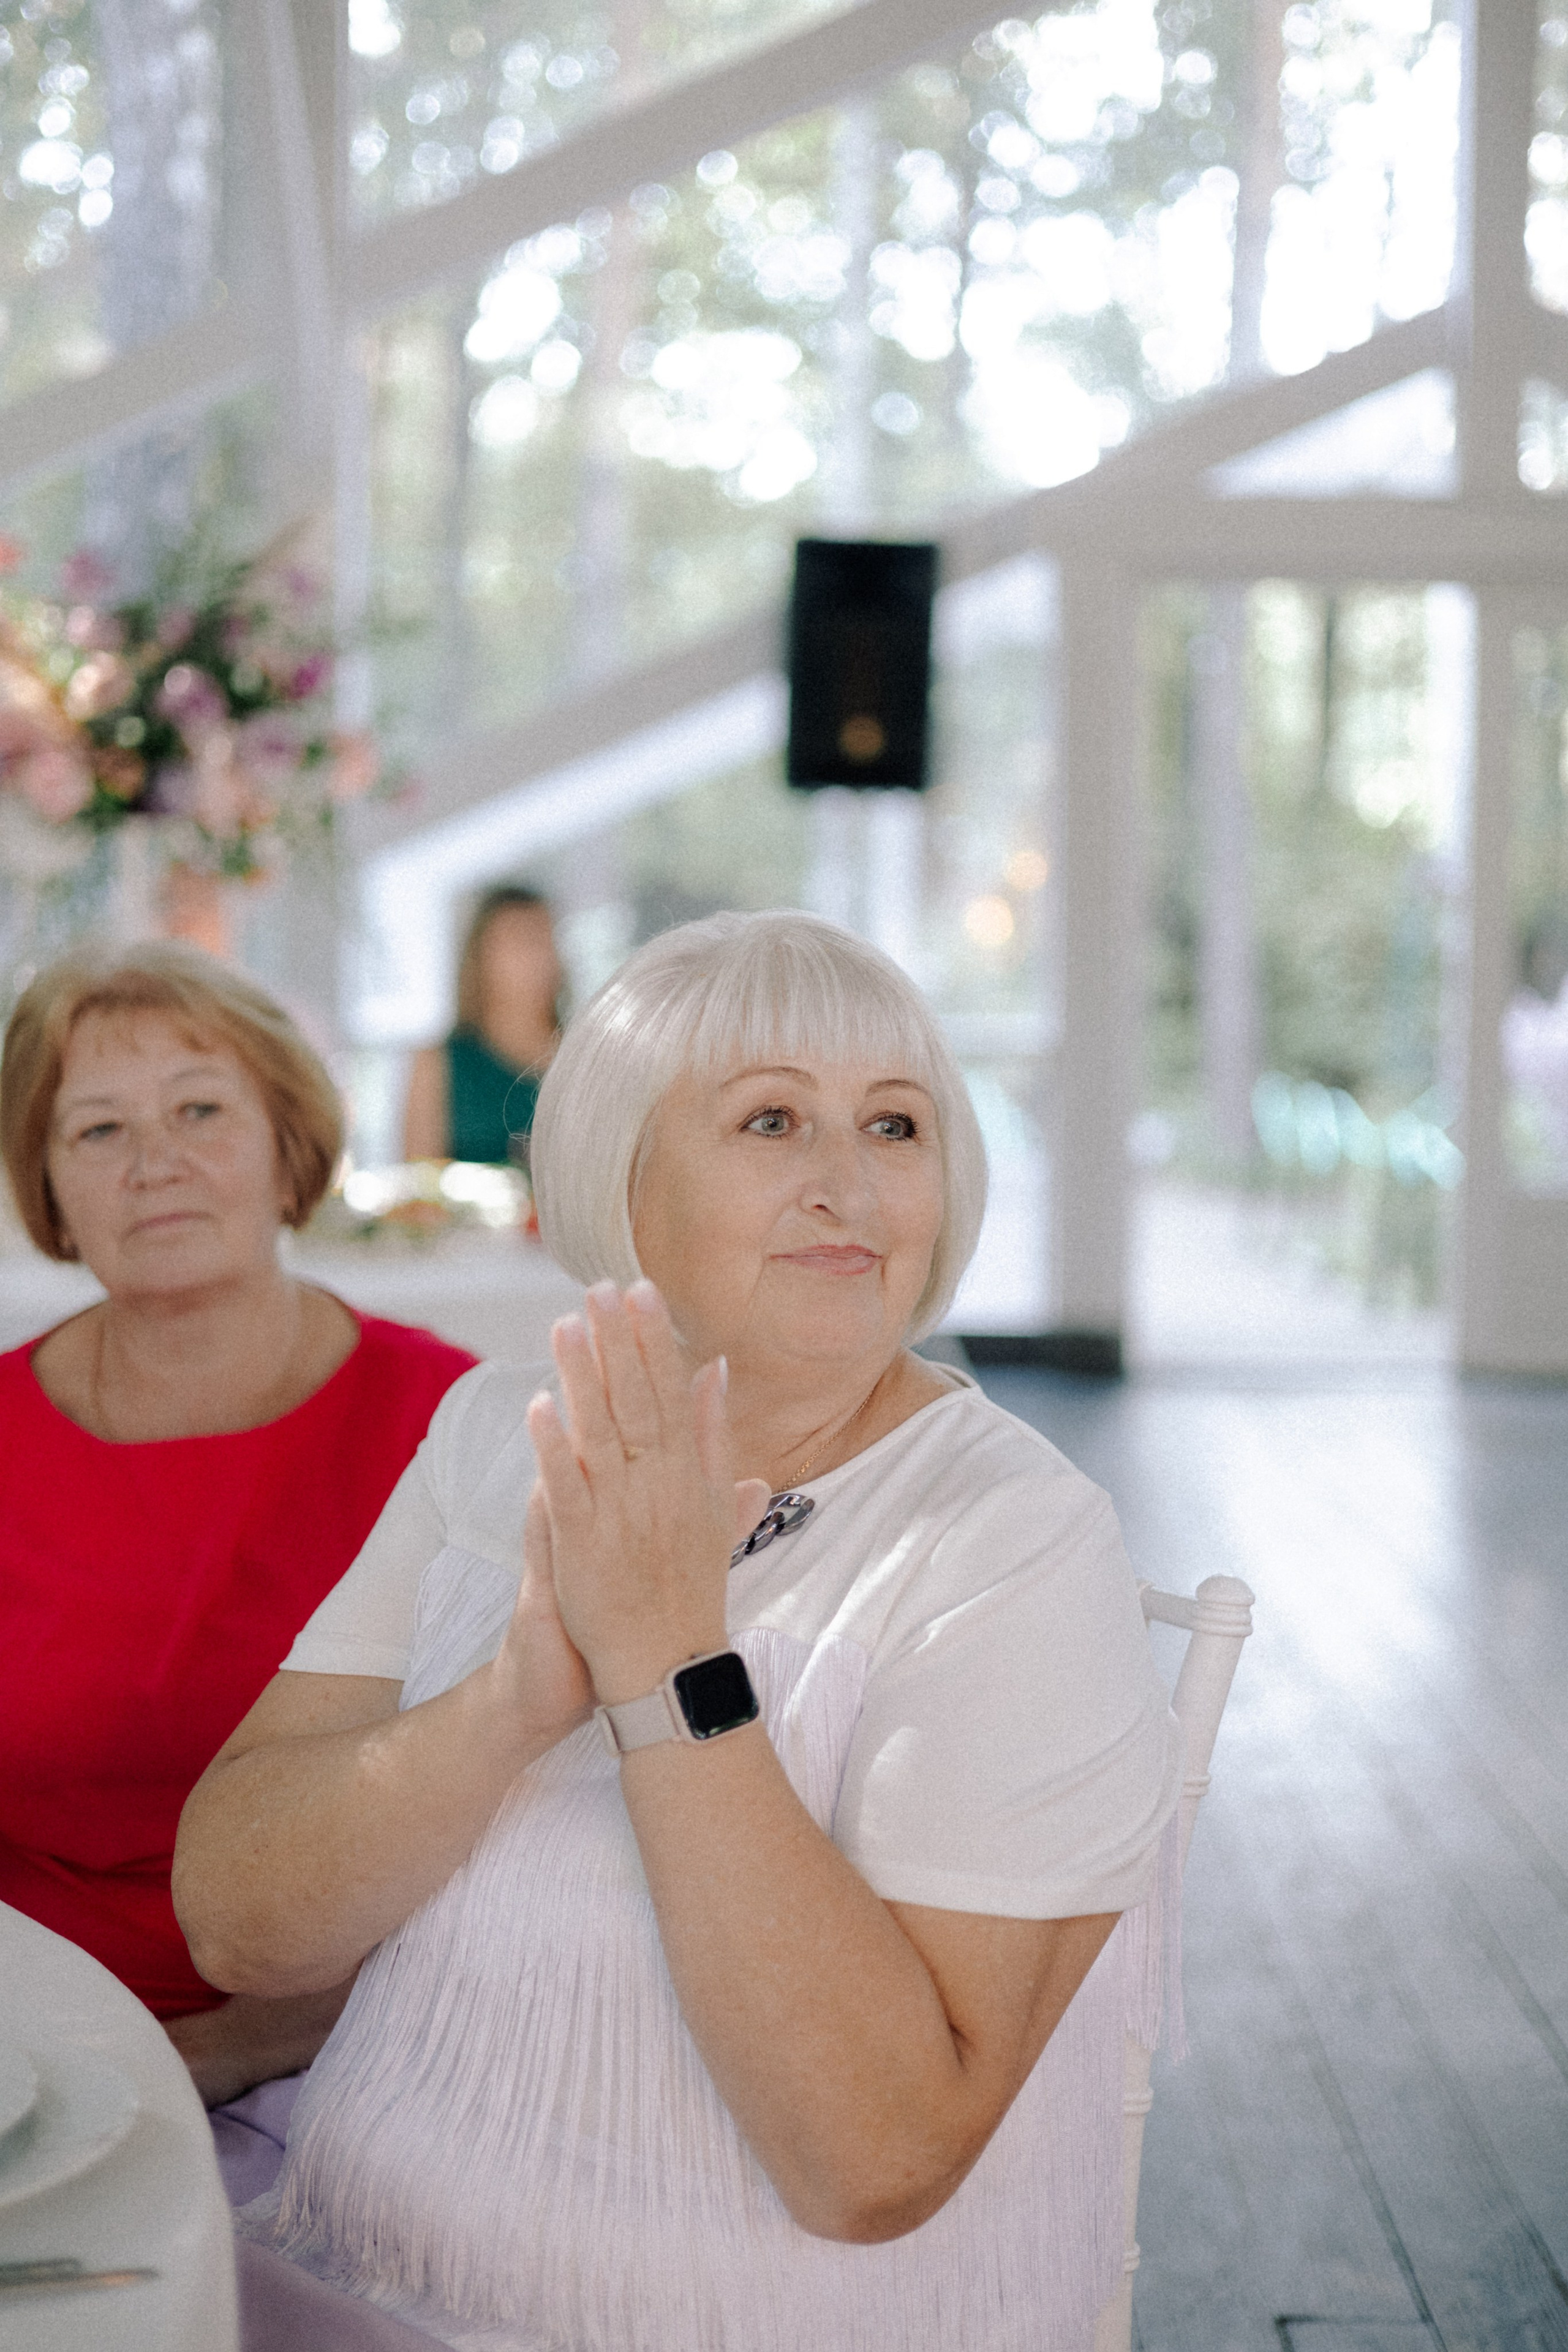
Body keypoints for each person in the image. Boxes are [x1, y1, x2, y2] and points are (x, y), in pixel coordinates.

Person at [175, 910, 1182, 2352]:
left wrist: (663, 1664)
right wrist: (519, 1690)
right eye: (771, 1118)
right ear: (620, 1172)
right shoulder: (491, 1432)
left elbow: (871, 2158)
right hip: (354, 2249)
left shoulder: (1012, 1542)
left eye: (894, 1127)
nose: (849, 1184)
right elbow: (241, 1920)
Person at [0, 942, 476, 2122]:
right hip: (28, 2051)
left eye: (200, 1110)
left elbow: (515, 1800)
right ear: (49, 1188)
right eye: (97, 1131)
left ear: (287, 1150)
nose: (154, 1163)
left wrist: (246, 2042)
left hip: (366, 2049)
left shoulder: (453, 1424)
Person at [402, 884, 563, 1165]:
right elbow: (422, 1186)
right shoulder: (440, 1063)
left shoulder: (582, 1057)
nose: (538, 959)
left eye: (544, 939)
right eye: (519, 942)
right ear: (481, 959)